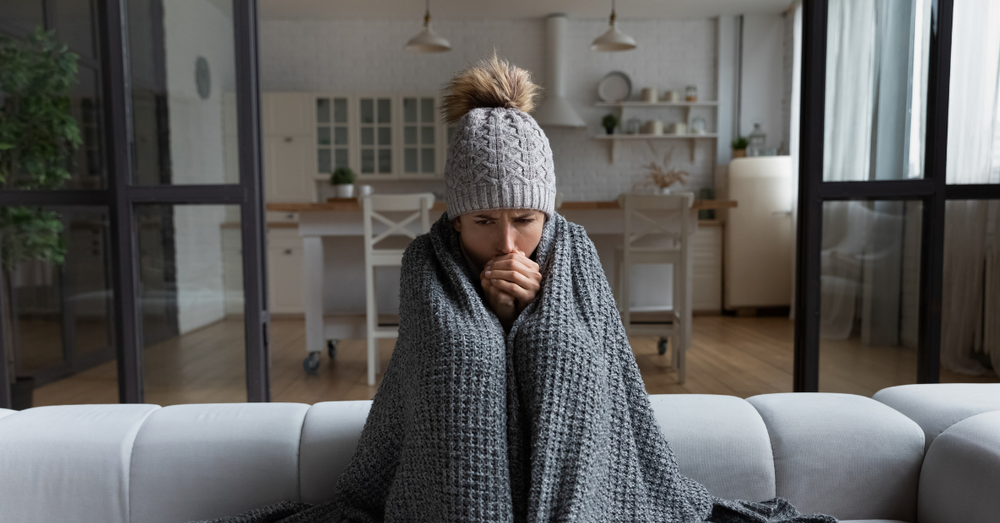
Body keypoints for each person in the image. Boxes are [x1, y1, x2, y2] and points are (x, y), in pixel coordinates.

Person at [198, 53, 835, 523]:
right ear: (456, 218)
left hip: (583, 483)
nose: (507, 242)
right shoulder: (425, 262)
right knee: (467, 355)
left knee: (560, 349)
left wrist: (529, 316)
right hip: (444, 484)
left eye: (525, 220)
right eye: (484, 221)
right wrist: (490, 311)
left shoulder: (575, 252)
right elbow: (434, 367)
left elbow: (606, 374)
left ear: (547, 215)